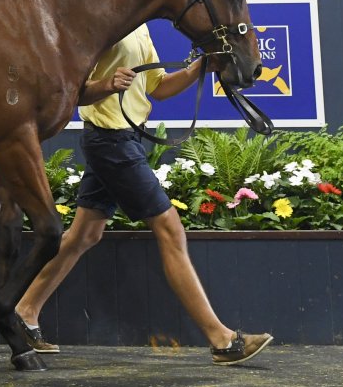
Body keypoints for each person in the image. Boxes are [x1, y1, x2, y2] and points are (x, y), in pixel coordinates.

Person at [14, 24, 273, 365]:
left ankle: (24, 312)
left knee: (85, 235)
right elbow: (68, 91)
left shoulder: (141, 29)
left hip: (125, 138)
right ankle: (221, 339)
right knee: (170, 229)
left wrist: (199, 68)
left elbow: (159, 89)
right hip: (111, 140)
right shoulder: (99, 26)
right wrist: (106, 85)